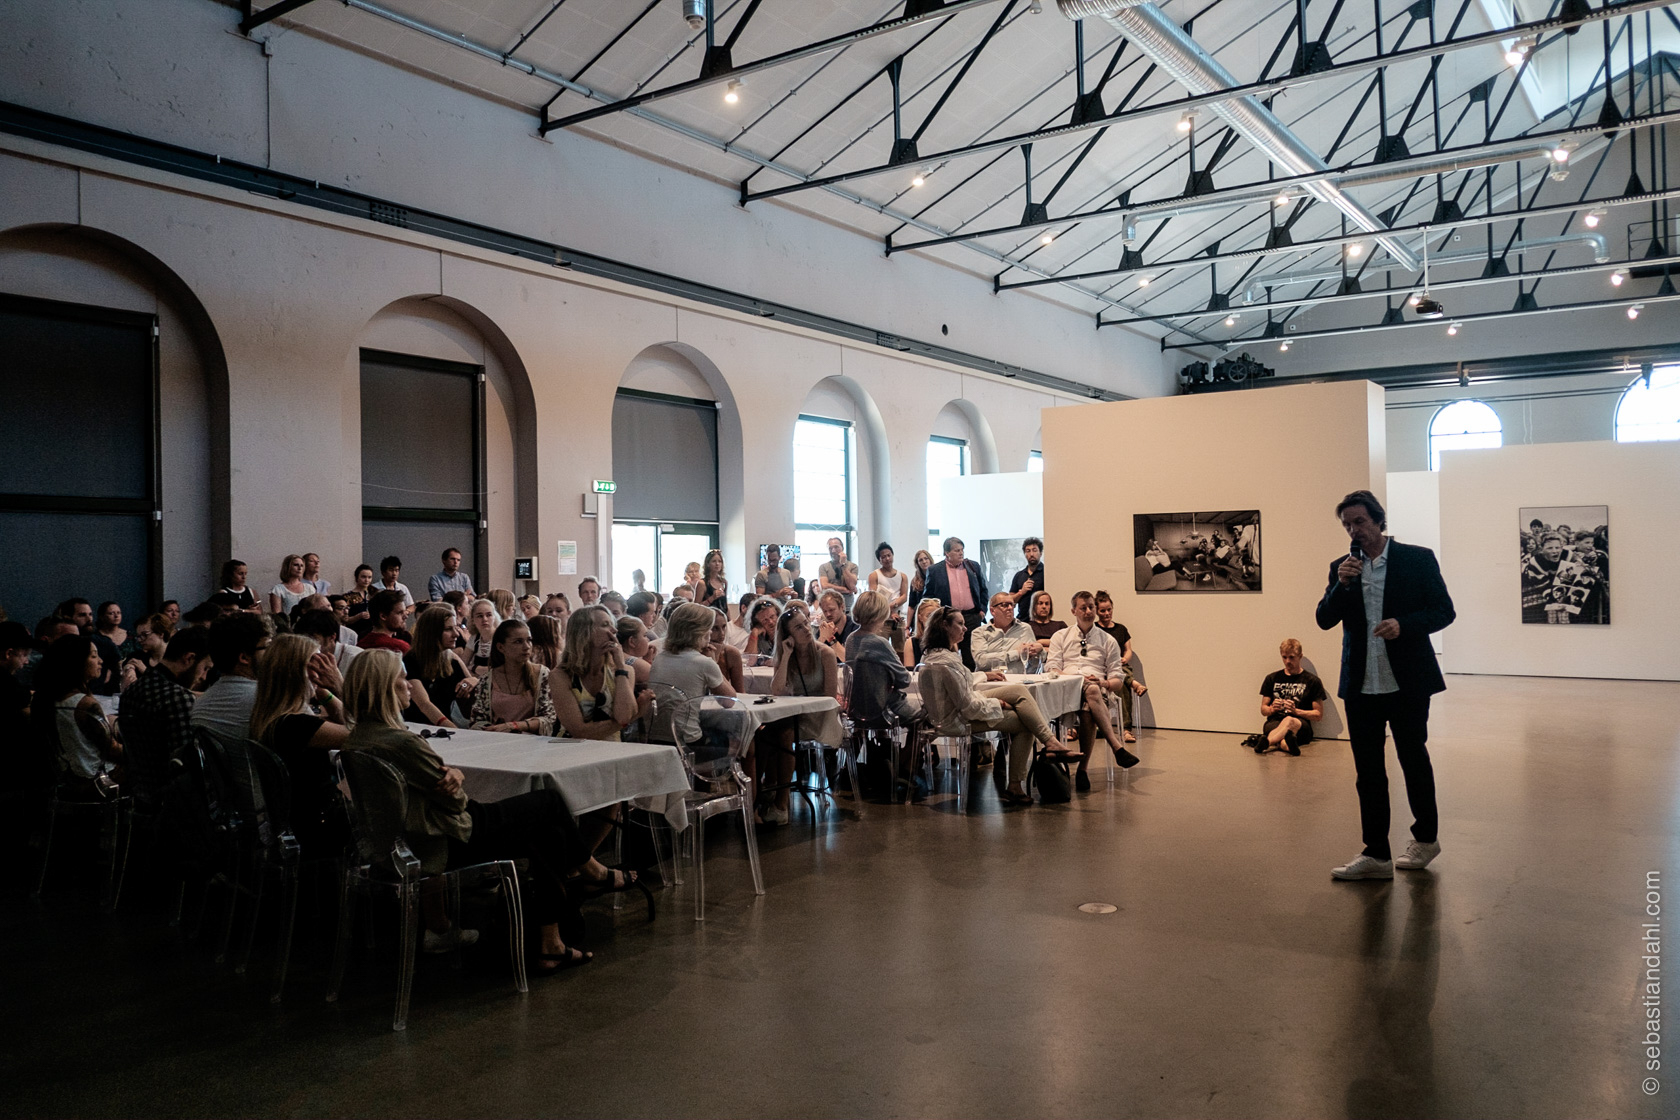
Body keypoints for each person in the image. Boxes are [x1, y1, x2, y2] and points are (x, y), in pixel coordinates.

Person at [341, 650, 631, 971]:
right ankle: (589, 875)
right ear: (382, 687)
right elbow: (456, 802)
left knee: (547, 829)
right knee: (548, 803)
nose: (409, 685)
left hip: (401, 844)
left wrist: (452, 776)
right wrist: (458, 775)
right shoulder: (401, 742)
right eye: (401, 679)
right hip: (443, 838)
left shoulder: (358, 739)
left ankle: (553, 941)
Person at [1316, 489, 1455, 881]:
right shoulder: (1342, 568)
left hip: (1407, 681)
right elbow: (1324, 620)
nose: (1353, 530)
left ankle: (1426, 839)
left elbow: (1444, 610)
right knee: (1368, 772)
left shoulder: (1417, 559)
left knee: (1413, 758)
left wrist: (1405, 626)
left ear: (1379, 521)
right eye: (1347, 524)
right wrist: (1340, 586)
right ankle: (1375, 854)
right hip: (1361, 685)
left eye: (1359, 522)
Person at [917, 607, 1056, 806]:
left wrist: (984, 675)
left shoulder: (932, 656)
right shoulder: (948, 662)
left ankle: (1049, 742)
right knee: (1025, 724)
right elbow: (970, 707)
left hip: (948, 713)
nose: (965, 628)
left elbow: (957, 684)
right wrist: (997, 704)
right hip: (957, 720)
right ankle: (1016, 786)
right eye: (960, 624)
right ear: (945, 626)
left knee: (1017, 690)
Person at [248, 633, 348, 853]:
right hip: (319, 827)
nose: (319, 672)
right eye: (314, 665)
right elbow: (367, 735)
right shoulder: (297, 726)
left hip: (298, 820)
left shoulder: (273, 718)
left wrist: (322, 692)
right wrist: (339, 685)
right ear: (295, 673)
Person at [1046, 591, 1138, 791]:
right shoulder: (1060, 636)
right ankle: (1116, 746)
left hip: (1097, 692)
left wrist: (1103, 683)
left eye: (1091, 607)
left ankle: (1083, 770)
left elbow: (1117, 681)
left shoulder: (1108, 640)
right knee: (1091, 691)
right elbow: (1051, 669)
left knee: (1090, 702)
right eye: (1083, 608)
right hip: (1065, 688)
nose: (1088, 611)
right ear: (1073, 611)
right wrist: (1074, 678)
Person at [759, 601, 840, 825]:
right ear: (788, 636)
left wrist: (803, 709)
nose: (806, 630)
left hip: (820, 717)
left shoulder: (825, 654)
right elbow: (776, 689)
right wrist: (785, 656)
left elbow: (829, 698)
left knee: (784, 734)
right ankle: (765, 787)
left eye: (806, 624)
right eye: (798, 628)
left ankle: (780, 804)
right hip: (794, 715)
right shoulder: (788, 654)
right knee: (763, 732)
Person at [648, 602, 743, 770]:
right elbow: (730, 701)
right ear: (699, 632)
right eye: (709, 628)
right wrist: (713, 660)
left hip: (657, 739)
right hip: (689, 743)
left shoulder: (660, 658)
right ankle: (723, 788)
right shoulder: (703, 663)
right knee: (740, 741)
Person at [32, 633, 124, 787]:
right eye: (94, 656)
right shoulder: (85, 704)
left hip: (66, 778)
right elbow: (112, 750)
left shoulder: (46, 698)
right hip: (96, 780)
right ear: (77, 662)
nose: (101, 661)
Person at [118, 624, 212, 764]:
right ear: (189, 658)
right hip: (168, 783)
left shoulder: (131, 691)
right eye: (205, 668)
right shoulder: (178, 698)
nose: (204, 677)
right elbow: (186, 763)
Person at [191, 612, 274, 749]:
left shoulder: (200, 705)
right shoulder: (269, 699)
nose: (272, 652)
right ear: (244, 658)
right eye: (267, 646)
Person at [554, 606, 637, 741]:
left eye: (613, 624)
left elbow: (623, 717)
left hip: (612, 751)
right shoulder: (561, 675)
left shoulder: (625, 671)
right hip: (571, 751)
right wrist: (634, 715)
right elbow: (579, 731)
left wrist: (621, 666)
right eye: (605, 625)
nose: (614, 631)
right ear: (584, 632)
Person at [469, 619, 557, 735]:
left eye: (529, 640)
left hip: (531, 743)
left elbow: (549, 718)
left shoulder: (541, 674)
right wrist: (495, 730)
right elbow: (477, 721)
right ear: (501, 647)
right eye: (518, 642)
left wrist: (514, 726)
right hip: (497, 740)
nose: (526, 647)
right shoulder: (487, 680)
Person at [403, 605, 475, 726]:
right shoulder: (410, 661)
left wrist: (470, 683)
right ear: (431, 632)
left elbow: (469, 685)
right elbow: (424, 704)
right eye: (448, 629)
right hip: (419, 727)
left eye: (455, 628)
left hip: (446, 728)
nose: (456, 634)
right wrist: (452, 728)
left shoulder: (451, 662)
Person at [923, 537, 987, 669]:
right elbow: (928, 596)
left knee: (971, 655)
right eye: (957, 550)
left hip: (971, 616)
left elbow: (983, 589)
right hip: (949, 618)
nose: (961, 553)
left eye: (962, 550)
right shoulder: (935, 570)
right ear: (947, 553)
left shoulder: (973, 566)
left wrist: (982, 611)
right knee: (950, 653)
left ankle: (973, 680)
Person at [1256, 638, 1327, 755]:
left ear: (1300, 656)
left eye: (1292, 657)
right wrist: (1272, 709)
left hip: (1301, 725)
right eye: (1284, 657)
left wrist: (1296, 711)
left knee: (1289, 720)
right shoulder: (1272, 678)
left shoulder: (1312, 681)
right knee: (1285, 738)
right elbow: (1263, 710)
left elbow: (1318, 715)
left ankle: (1267, 742)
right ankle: (1286, 745)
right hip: (1275, 722)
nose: (1287, 661)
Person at [1093, 591, 1148, 738]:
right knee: (1121, 676)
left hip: (1118, 667)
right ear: (1097, 611)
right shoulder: (1094, 630)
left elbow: (1128, 650)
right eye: (1102, 610)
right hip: (1100, 668)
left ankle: (1126, 730)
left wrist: (1125, 658)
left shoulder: (1121, 629)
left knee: (1121, 679)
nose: (1106, 613)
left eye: (1109, 609)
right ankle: (1135, 683)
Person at [57, 598, 120, 695]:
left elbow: (119, 666)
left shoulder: (104, 643)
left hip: (98, 697)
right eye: (82, 615)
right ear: (68, 617)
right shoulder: (59, 643)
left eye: (90, 614)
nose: (89, 619)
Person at [971, 592, 1038, 675]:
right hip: (990, 683)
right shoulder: (979, 632)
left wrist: (1039, 651)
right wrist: (1016, 653)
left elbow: (1034, 662)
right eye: (1004, 605)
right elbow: (981, 661)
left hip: (1019, 682)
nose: (1010, 608)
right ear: (992, 610)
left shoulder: (1025, 629)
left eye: (1012, 605)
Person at [295, 607, 361, 677]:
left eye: (312, 639)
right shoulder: (301, 658)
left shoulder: (355, 658)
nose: (306, 644)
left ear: (332, 637)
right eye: (303, 639)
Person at [867, 543, 910, 644]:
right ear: (879, 560)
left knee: (901, 649)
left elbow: (904, 596)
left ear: (892, 555)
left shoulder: (902, 576)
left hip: (898, 618)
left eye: (889, 555)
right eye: (883, 557)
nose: (887, 559)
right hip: (881, 619)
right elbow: (873, 598)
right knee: (880, 648)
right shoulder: (874, 575)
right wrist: (889, 611)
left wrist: (893, 605)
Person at [118, 613, 171, 690]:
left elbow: (172, 687)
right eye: (138, 636)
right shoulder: (138, 656)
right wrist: (129, 669)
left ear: (161, 634)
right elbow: (129, 663)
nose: (139, 640)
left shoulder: (174, 659)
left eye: (145, 635)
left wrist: (146, 671)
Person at [1006, 537, 1046, 625]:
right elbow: (1010, 600)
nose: (1031, 554)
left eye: (1034, 550)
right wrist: (1021, 592)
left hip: (1042, 622)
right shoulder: (1019, 575)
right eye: (1028, 551)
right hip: (1022, 621)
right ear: (1024, 554)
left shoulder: (1046, 573)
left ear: (1041, 553)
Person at [359, 590, 412, 655]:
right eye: (400, 613)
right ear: (383, 616)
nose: (405, 617)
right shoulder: (400, 648)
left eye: (405, 612)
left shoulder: (360, 645)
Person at [705, 610, 746, 693]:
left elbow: (740, 691)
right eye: (715, 628)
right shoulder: (695, 654)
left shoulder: (731, 653)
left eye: (724, 627)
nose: (722, 633)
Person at [817, 537, 859, 611]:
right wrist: (844, 589)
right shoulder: (823, 567)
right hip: (830, 608)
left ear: (842, 548)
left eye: (836, 547)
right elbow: (824, 586)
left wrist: (843, 565)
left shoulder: (853, 566)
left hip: (847, 607)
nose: (833, 551)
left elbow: (852, 586)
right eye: (830, 548)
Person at [814, 589, 856, 661]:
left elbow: (849, 660)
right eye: (825, 611)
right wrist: (821, 639)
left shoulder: (855, 627)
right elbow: (814, 660)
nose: (828, 614)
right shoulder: (823, 630)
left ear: (842, 607)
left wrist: (830, 638)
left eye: (831, 610)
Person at [463, 597, 500, 676]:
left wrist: (475, 668)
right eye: (480, 616)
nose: (485, 619)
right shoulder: (474, 638)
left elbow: (502, 669)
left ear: (494, 617)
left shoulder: (502, 637)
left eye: (489, 615)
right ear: (472, 619)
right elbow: (463, 665)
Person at [742, 597, 781, 666]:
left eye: (772, 617)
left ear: (778, 615)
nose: (771, 622)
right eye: (765, 620)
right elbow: (748, 662)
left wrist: (777, 661)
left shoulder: (788, 633)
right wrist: (754, 633)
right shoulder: (760, 638)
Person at [909, 597, 944, 666]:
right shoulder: (911, 643)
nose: (933, 620)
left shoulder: (948, 639)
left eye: (936, 616)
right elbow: (910, 671)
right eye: (929, 616)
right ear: (920, 618)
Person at [343, 564, 377, 631]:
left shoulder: (374, 594)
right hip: (356, 631)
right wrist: (359, 616)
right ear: (356, 578)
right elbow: (345, 620)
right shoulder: (347, 597)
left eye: (369, 577)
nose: (366, 580)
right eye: (363, 577)